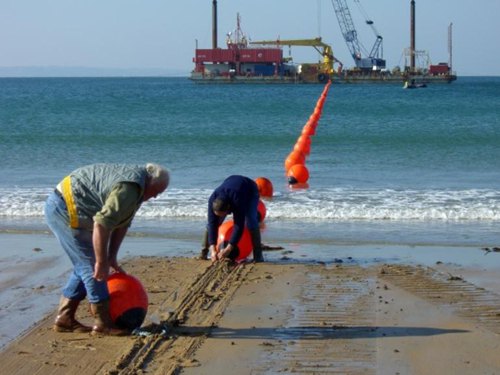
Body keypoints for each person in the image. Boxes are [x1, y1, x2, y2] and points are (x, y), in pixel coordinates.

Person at [45, 163, 169, 336]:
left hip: (78, 208)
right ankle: (103, 323)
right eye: (157, 191)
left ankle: (65, 318)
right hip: (64, 206)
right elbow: (102, 223)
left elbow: (123, 223)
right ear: (150, 181)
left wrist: (111, 258)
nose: (155, 197)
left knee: (85, 264)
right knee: (92, 266)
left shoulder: (138, 190)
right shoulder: (130, 188)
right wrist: (102, 262)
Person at [199, 175, 264, 263]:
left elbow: (238, 226)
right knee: (214, 223)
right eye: (218, 214)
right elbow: (212, 224)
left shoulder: (238, 202)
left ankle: (258, 256)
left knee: (251, 220)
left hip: (250, 189)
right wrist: (213, 250)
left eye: (223, 215)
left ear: (228, 209)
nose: (221, 217)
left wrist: (228, 249)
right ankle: (203, 252)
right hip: (230, 182)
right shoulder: (212, 200)